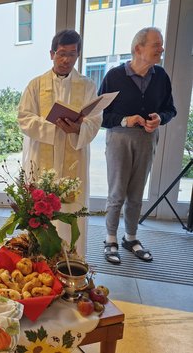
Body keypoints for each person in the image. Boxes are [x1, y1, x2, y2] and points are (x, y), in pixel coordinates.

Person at [18, 29, 102, 256]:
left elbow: (95, 121)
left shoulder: (87, 86)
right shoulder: (36, 85)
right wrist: (54, 127)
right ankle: (39, 257)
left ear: (78, 56)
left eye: (72, 54)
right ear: (52, 54)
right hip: (43, 155)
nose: (66, 59)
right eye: (61, 53)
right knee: (41, 212)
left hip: (73, 156)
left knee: (70, 210)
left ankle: (71, 259)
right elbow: (24, 118)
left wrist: (77, 128)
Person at [99, 27, 176, 264]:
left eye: (161, 45)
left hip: (147, 138)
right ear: (138, 48)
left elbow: (170, 109)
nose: (161, 49)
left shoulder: (161, 76)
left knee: (136, 193)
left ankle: (130, 238)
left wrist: (160, 119)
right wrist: (125, 120)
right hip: (119, 138)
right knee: (117, 192)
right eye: (157, 45)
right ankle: (110, 238)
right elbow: (100, 116)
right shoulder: (114, 76)